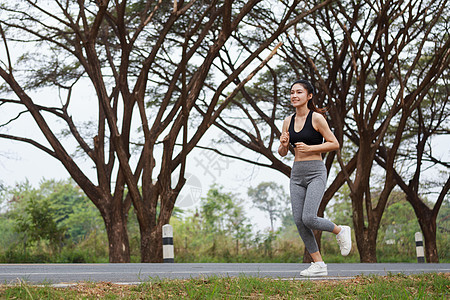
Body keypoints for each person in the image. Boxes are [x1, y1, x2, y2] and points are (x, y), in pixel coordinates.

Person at [278, 79, 351, 277]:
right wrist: (284, 144)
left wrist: (311, 148)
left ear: (309, 96)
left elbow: (334, 143)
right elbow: (282, 152)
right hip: (297, 173)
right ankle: (319, 264)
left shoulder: (317, 118)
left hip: (316, 171)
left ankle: (340, 230)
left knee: (309, 217)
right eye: (292, 92)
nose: (294, 95)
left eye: (299, 92)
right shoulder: (287, 121)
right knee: (299, 220)